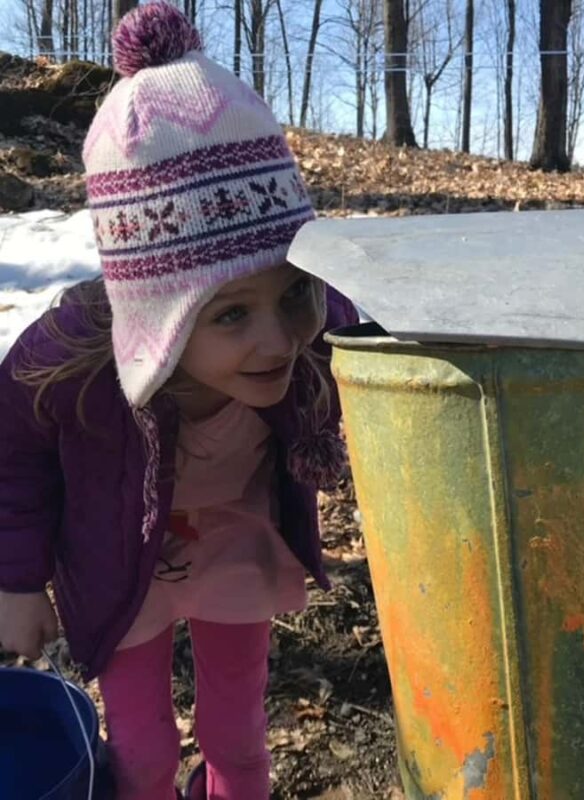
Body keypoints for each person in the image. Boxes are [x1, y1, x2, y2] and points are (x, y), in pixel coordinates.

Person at [0, 4, 357, 799]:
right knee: (145, 752)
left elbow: (388, 345)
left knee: (239, 739)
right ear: (157, 314)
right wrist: (16, 581)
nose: (276, 342)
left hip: (239, 549)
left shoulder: (321, 330)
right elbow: (12, 459)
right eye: (228, 313)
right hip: (119, 564)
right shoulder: (71, 362)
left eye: (292, 293)